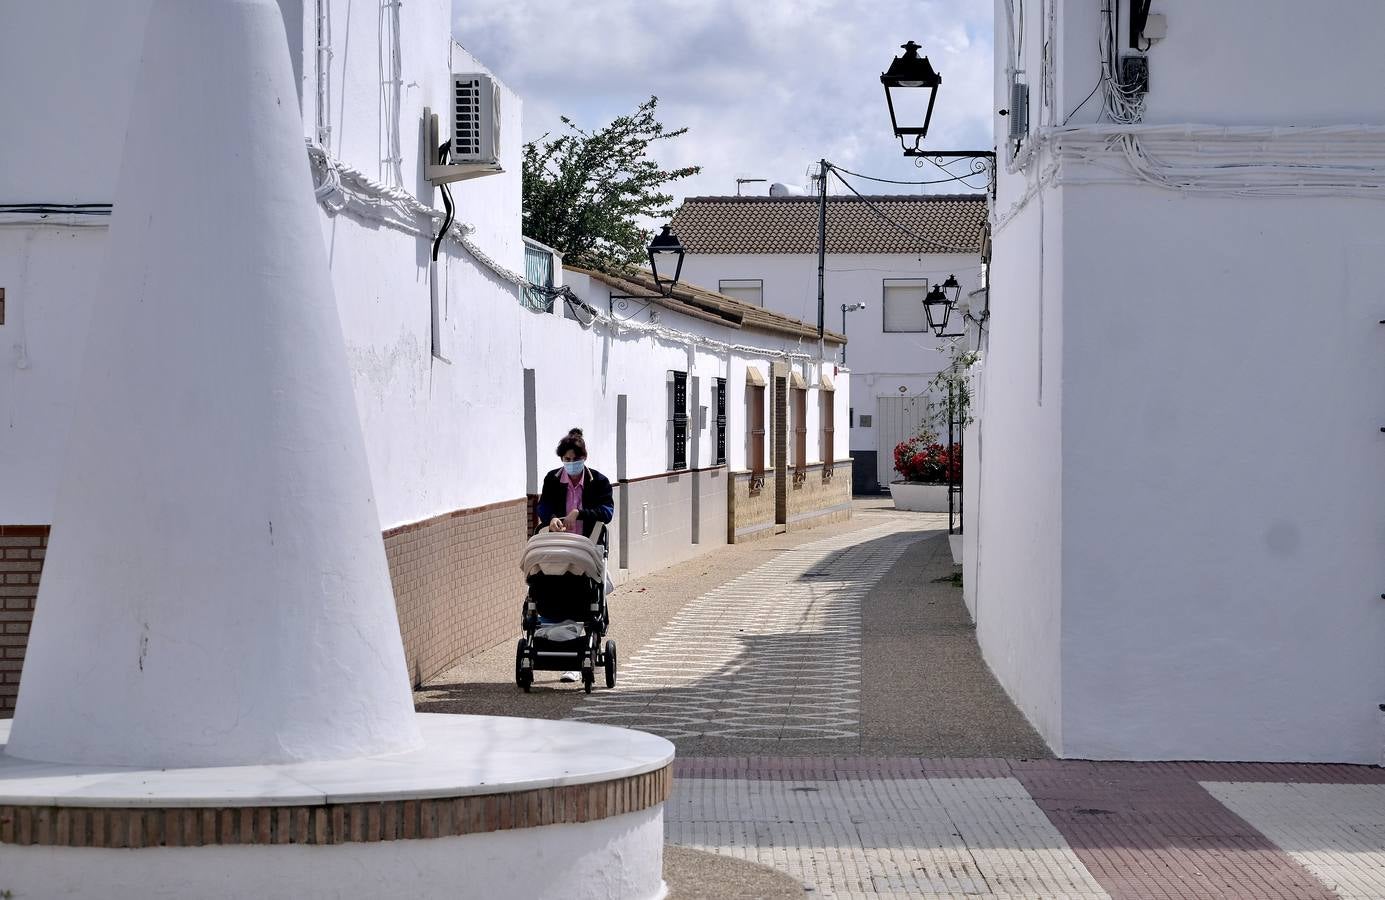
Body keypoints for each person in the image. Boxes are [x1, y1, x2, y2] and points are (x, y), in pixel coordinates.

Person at [535, 428, 613, 682]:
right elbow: (544, 505)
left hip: (586, 547)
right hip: (558, 546)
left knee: (584, 591)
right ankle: (547, 633)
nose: (570, 464)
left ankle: (579, 658)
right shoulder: (552, 480)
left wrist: (580, 513)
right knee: (549, 581)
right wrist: (552, 519)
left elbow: (607, 511)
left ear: (583, 457)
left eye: (574, 459)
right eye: (566, 460)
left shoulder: (598, 482)